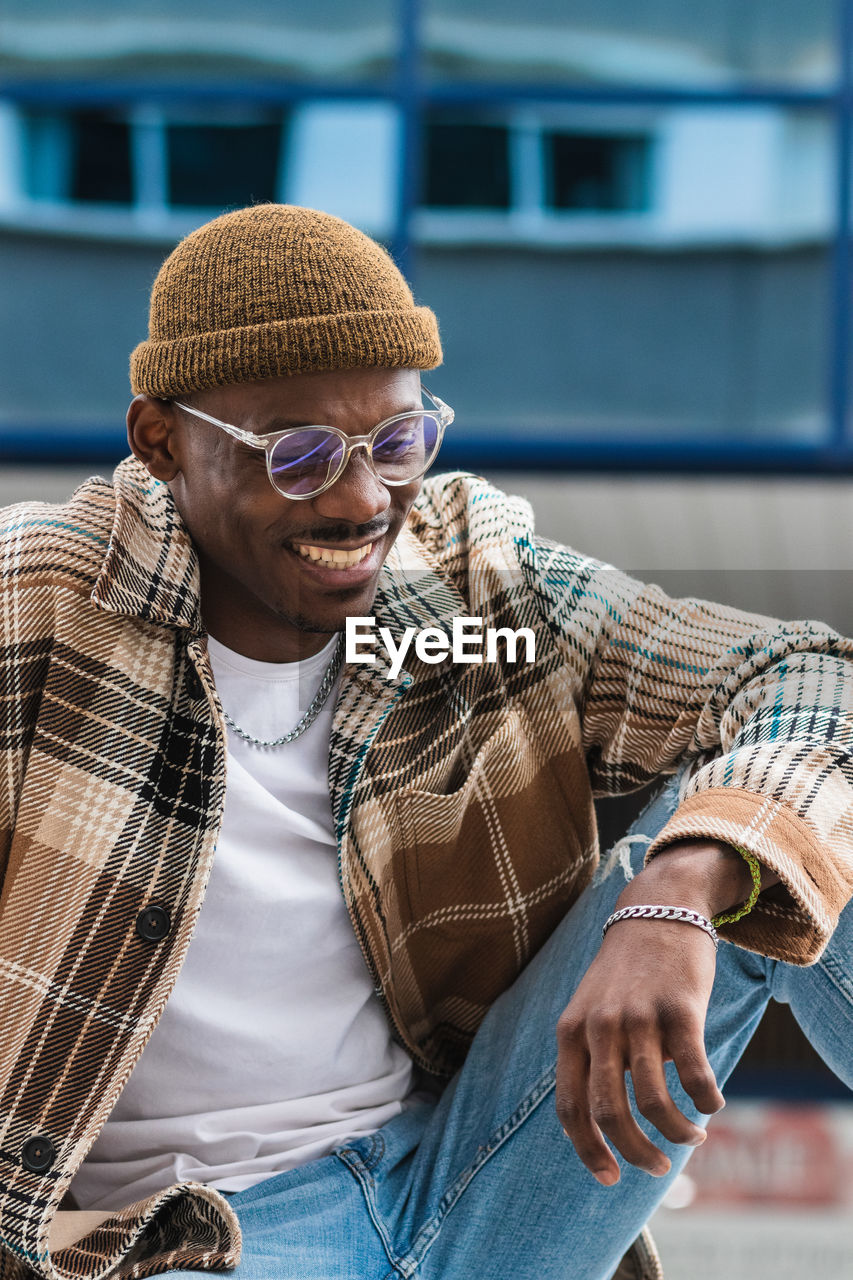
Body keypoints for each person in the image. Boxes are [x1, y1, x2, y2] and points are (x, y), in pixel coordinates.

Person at [0, 203, 851, 1280]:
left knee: (791, 843)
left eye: (395, 442)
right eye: (300, 456)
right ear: (163, 442)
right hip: (195, 1243)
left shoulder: (471, 591)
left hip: (480, 1172)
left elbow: (805, 675)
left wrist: (683, 882)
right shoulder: (42, 604)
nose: (363, 499)